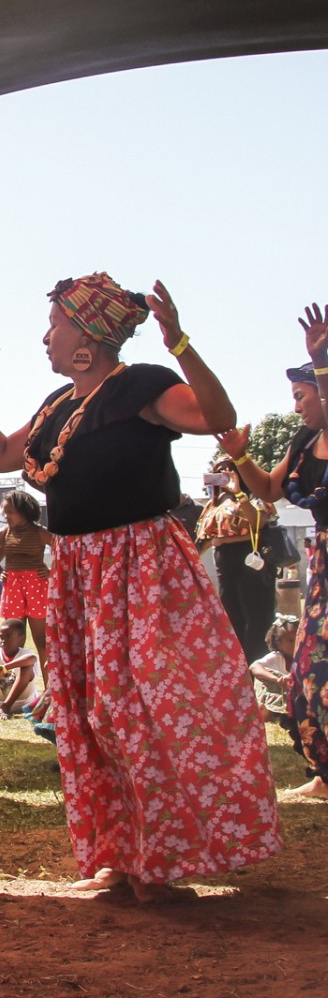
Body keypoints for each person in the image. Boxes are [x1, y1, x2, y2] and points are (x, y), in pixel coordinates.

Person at [0, 272, 281, 901]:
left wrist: (180, 343)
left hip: (142, 568)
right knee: (91, 715)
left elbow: (218, 416)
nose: (45, 336)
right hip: (76, 574)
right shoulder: (55, 406)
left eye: (55, 325)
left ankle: (165, 855)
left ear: (89, 340)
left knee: (148, 709)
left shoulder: (143, 385)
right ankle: (121, 853)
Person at [217, 306, 328, 799]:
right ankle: (324, 773)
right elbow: (267, 489)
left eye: (302, 396)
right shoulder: (306, 440)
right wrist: (239, 452)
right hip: (323, 562)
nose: (297, 407)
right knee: (308, 668)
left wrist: (321, 356)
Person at [194, 456, 278, 666]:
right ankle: (240, 672)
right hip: (225, 565)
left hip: (252, 560)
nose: (223, 471)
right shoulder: (213, 505)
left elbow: (259, 523)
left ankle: (258, 667)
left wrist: (239, 492)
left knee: (257, 619)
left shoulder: (255, 495)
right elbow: (203, 539)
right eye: (218, 469)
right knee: (231, 621)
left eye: (229, 468)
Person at [0, 490, 53, 683]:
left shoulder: (39, 532)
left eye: (11, 512)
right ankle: (14, 683)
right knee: (14, 639)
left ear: (25, 511)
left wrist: (51, 571)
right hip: (13, 586)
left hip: (37, 586)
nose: (6, 516)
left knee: (41, 640)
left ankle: (49, 687)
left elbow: (61, 548)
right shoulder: (4, 533)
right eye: (4, 512)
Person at [249, 615, 298, 726]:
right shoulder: (276, 657)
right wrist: (277, 679)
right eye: (290, 641)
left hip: (297, 699)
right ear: (279, 644)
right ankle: (267, 711)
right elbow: (254, 666)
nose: (295, 643)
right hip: (280, 697)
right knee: (262, 679)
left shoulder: (304, 658)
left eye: (298, 638)